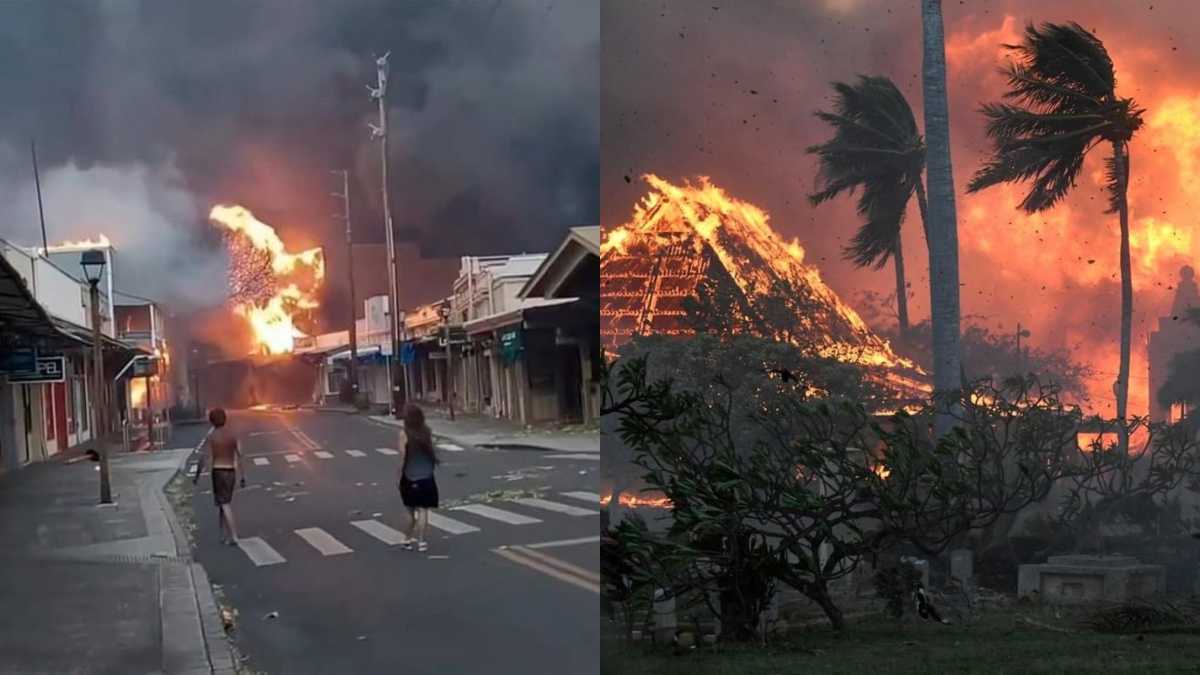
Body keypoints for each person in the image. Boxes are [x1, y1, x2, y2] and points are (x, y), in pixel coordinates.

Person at [193, 407, 245, 546]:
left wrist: (197, 476)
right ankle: (222, 534)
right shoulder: (233, 435)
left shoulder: (212, 437)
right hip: (231, 472)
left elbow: (204, 458)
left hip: (218, 471)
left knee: (224, 503)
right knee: (223, 502)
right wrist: (242, 476)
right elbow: (240, 455)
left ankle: (234, 535)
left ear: (211, 421)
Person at [398, 403, 440, 552]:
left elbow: (403, 456)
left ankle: (407, 539)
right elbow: (431, 451)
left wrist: (399, 472)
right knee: (423, 510)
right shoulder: (427, 431)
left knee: (410, 510)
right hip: (427, 476)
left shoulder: (404, 434)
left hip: (410, 475)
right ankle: (422, 542)